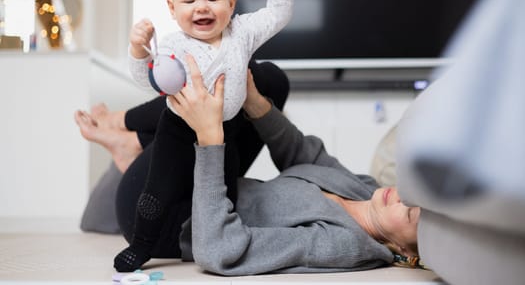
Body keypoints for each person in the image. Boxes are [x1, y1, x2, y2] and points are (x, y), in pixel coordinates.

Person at [77, 57, 421, 274]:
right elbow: (303, 153)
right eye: (414, 195)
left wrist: (211, 139)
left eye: (408, 213)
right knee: (264, 78)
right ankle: (133, 145)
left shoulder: (343, 245)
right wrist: (256, 103)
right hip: (204, 186)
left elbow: (218, 249)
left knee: (217, 96)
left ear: (405, 252)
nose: (402, 198)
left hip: (169, 219)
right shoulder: (366, 189)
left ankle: (124, 125)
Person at [114, 0, 293, 271]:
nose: (202, 8)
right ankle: (142, 245)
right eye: (189, 1)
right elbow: (147, 80)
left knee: (225, 195)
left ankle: (217, 240)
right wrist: (139, 49)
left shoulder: (242, 32)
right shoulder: (172, 44)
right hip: (178, 131)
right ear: (172, 7)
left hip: (225, 133)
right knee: (158, 191)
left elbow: (279, 14)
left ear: (232, 2)